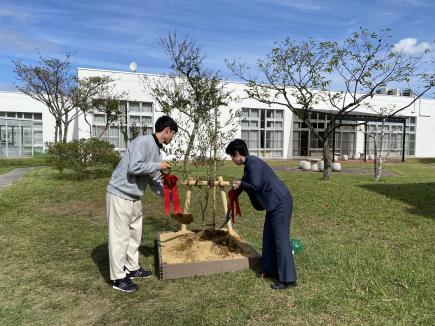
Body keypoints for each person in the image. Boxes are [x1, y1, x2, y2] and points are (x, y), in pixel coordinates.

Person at [106, 116, 177, 292]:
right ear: (166, 130)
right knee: (119, 237)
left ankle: (132, 267)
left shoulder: (156, 150)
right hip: (120, 195)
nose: (173, 138)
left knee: (134, 234)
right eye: (173, 134)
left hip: (135, 197)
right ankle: (118, 278)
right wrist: (157, 165)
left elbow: (152, 179)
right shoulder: (143, 142)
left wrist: (167, 194)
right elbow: (134, 167)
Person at [225, 139, 297, 290]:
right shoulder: (249, 165)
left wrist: (241, 184)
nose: (232, 160)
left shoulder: (253, 164)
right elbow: (245, 182)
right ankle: (269, 270)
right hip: (273, 204)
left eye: (232, 157)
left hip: (280, 202)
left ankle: (288, 279)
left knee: (281, 239)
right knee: (268, 237)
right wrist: (233, 194)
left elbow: (255, 186)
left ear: (237, 154)